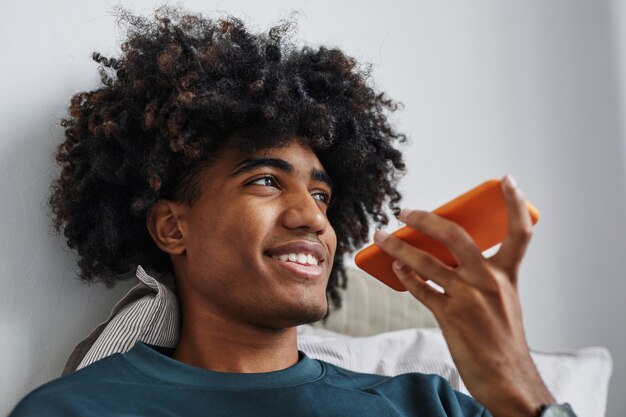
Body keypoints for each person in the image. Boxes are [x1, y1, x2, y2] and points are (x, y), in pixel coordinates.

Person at [10, 6, 574, 417]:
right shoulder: (81, 409)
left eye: (322, 195)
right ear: (172, 226)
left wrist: (516, 383)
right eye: (265, 181)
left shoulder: (427, 405)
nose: (313, 218)